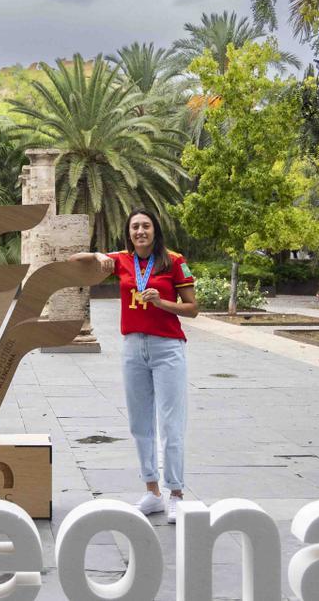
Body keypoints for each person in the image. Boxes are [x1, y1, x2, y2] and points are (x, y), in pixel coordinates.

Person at [69, 209, 199, 524]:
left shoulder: (174, 261)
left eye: (146, 226)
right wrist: (100, 254)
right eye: (135, 227)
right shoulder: (123, 260)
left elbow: (193, 309)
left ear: (156, 230)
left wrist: (162, 302)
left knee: (170, 424)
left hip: (167, 347)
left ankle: (176, 493)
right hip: (132, 348)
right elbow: (76, 258)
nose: (140, 231)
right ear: (129, 233)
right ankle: (152, 491)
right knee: (139, 423)